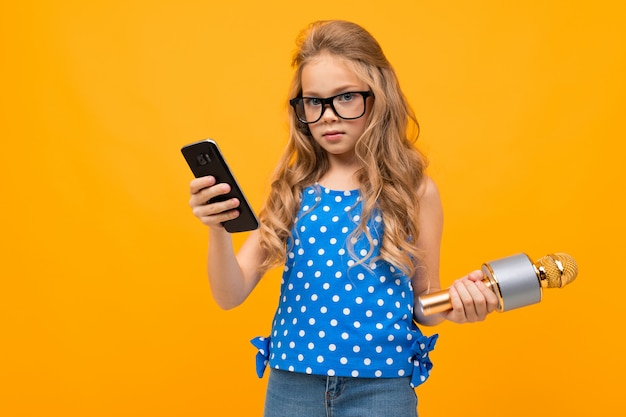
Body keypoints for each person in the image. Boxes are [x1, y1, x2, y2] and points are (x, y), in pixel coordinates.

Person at [188, 20, 498, 417]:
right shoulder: (294, 189)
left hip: (381, 388)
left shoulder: (415, 190)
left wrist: (462, 304)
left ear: (378, 96)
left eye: (345, 97)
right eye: (313, 102)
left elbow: (425, 305)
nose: (328, 115)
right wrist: (217, 229)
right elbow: (229, 295)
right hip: (292, 386)